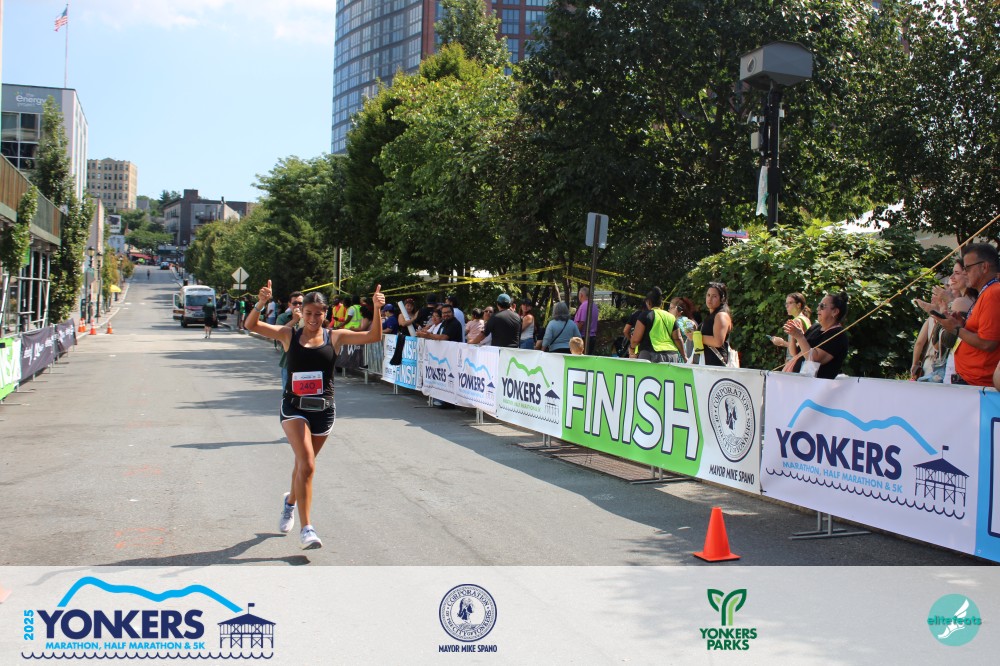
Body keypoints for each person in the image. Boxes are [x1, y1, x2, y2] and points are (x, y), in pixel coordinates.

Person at [246, 279, 385, 550]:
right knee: (308, 464)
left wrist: (377, 309)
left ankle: (290, 502)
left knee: (303, 465)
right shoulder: (289, 335)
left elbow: (374, 337)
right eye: (308, 313)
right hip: (294, 408)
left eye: (318, 314)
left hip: (323, 410)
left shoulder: (336, 337)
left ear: (325, 314)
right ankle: (307, 528)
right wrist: (261, 303)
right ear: (301, 312)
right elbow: (251, 325)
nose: (312, 318)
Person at [935, 243, 1000, 386]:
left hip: (978, 385)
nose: (964, 273)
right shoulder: (987, 292)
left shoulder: (993, 293)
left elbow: (988, 343)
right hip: (971, 381)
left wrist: (956, 329)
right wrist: (961, 325)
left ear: (984, 267)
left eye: (967, 268)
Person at [784, 292, 850, 379]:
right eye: (819, 305)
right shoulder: (815, 327)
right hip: (798, 381)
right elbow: (795, 353)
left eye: (822, 306)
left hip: (817, 385)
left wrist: (799, 336)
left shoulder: (838, 335)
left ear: (835, 312)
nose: (818, 308)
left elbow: (813, 359)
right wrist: (793, 335)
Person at [630, 287, 687, 363]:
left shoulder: (645, 315)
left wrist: (631, 350)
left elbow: (635, 340)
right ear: (661, 303)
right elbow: (678, 338)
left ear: (648, 302)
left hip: (651, 355)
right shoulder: (671, 317)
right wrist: (684, 356)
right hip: (672, 356)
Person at [692, 282, 733, 366]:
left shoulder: (721, 315)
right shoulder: (712, 316)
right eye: (708, 295)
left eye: (714, 296)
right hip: (705, 363)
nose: (709, 299)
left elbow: (718, 342)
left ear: (722, 299)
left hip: (715, 364)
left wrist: (695, 336)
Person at [770, 293, 812, 363]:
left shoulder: (796, 321)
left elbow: (796, 350)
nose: (786, 306)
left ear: (798, 305)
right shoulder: (806, 319)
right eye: (786, 303)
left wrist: (781, 342)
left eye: (790, 303)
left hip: (797, 362)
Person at [277, 292, 304, 388]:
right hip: (288, 363)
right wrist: (294, 320)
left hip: (306, 362)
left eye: (300, 303)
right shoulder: (283, 317)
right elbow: (278, 334)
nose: (298, 306)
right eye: (295, 303)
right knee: (288, 392)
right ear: (289, 304)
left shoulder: (309, 318)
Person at [573, 286, 599, 354]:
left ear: (581, 295)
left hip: (584, 337)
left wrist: (574, 335)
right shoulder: (594, 306)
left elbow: (581, 323)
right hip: (592, 337)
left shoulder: (583, 306)